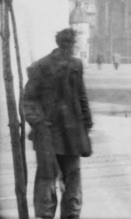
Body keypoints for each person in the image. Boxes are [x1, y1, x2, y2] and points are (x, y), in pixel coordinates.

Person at [22, 27, 93, 219]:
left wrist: (86, 124)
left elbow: (81, 95)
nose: (69, 48)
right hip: (48, 133)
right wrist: (37, 122)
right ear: (59, 44)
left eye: (71, 45)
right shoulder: (41, 67)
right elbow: (28, 99)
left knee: (72, 179)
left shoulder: (76, 65)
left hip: (72, 135)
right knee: (46, 178)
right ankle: (45, 215)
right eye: (66, 44)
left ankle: (71, 215)